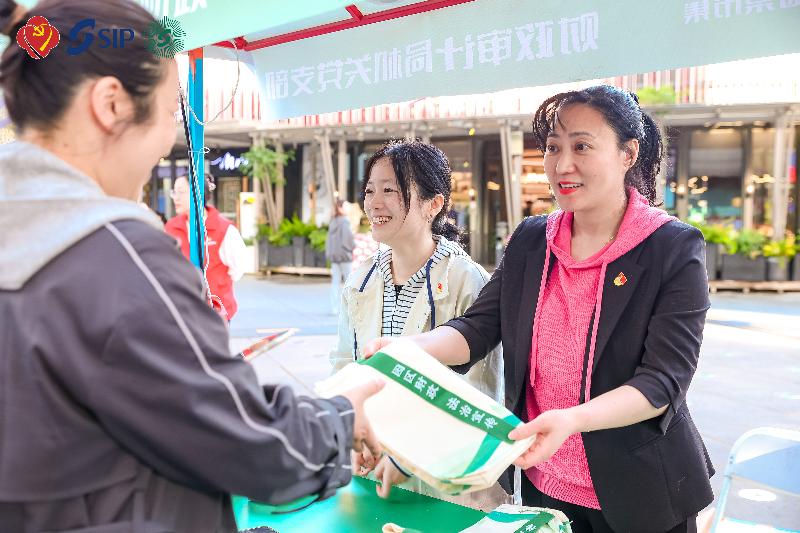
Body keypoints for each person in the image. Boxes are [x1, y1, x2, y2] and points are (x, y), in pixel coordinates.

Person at [0, 1, 382, 531]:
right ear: (111, 104)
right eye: (168, 112)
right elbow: (252, 445)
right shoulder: (119, 254)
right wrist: (341, 416)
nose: (167, 144)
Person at [361, 86, 714, 532]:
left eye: (582, 146)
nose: (562, 165)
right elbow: (477, 328)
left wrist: (573, 420)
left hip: (641, 495)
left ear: (628, 153)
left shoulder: (672, 247)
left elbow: (662, 381)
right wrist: (411, 348)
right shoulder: (532, 239)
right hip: (544, 483)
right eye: (552, 147)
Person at [331, 139, 509, 511]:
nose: (374, 203)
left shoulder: (466, 280)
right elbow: (344, 369)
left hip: (448, 488)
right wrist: (352, 433)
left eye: (390, 191)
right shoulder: (359, 282)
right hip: (372, 473)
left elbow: (480, 398)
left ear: (433, 204)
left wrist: (408, 456)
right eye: (370, 190)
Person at [165, 175, 247, 320]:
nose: (175, 198)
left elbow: (238, 268)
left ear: (197, 193)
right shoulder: (171, 227)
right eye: (174, 192)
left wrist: (217, 284)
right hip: (181, 312)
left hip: (216, 313)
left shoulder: (223, 229)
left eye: (181, 192)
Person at [326, 199, 355, 314]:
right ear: (341, 208)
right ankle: (349, 307)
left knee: (335, 282)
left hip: (335, 257)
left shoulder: (333, 221)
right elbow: (347, 239)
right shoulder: (345, 221)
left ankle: (334, 308)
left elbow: (328, 240)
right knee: (349, 282)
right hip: (344, 256)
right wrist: (352, 246)